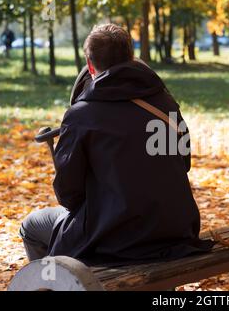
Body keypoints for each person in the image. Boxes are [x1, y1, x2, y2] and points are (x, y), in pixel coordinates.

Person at [19, 24, 214, 266]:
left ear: (90, 66)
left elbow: (69, 195)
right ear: (131, 58)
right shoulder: (166, 103)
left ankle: (50, 282)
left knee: (31, 225)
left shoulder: (81, 115)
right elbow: (183, 163)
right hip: (177, 230)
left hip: (114, 241)